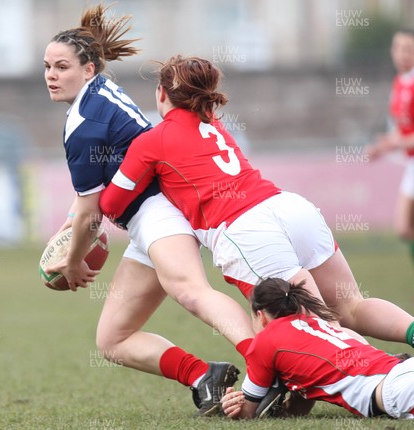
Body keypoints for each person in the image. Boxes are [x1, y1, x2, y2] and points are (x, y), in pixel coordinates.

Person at [100, 54, 414, 347]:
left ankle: (388, 374)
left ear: (161, 93)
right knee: (352, 308)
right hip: (290, 208)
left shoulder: (152, 141)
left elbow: (112, 204)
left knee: (314, 330)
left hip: (248, 229)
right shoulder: (213, 122)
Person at [42, 5, 255, 416]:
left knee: (192, 292)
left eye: (62, 66)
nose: (51, 75)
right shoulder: (97, 93)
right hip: (148, 220)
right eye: (47, 66)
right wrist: (70, 231)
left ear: (88, 69)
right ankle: (202, 376)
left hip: (161, 211)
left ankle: (269, 364)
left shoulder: (84, 122)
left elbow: (90, 214)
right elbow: (90, 200)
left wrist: (70, 262)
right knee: (113, 338)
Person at [220, 278, 414, 420]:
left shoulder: (264, 341)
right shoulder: (315, 323)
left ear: (260, 316)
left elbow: (247, 413)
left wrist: (231, 404)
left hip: (396, 389)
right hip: (401, 372)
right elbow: (302, 401)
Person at [366, 29, 414, 265]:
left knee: (404, 226)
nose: (403, 54)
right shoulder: (399, 83)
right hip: (411, 162)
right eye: (398, 48)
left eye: (409, 49)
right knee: (405, 228)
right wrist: (382, 146)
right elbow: (402, 130)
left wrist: (394, 143)